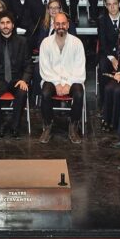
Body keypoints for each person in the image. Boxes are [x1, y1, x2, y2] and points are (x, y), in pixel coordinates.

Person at [0, 11, 33, 138]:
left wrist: (24, 80)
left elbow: (28, 64)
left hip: (17, 79)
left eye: (8, 23)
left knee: (22, 91)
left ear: (13, 25)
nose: (5, 26)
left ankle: (15, 127)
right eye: (2, 23)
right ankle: (0, 124)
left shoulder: (23, 41)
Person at [38, 12, 86, 144]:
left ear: (68, 25)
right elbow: (44, 68)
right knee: (45, 92)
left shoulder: (77, 43)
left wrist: (68, 84)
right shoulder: (46, 43)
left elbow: (79, 68)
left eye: (63, 24)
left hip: (73, 79)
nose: (61, 26)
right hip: (51, 79)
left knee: (79, 93)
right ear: (53, 25)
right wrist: (57, 83)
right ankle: (48, 125)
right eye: (58, 24)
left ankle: (73, 126)